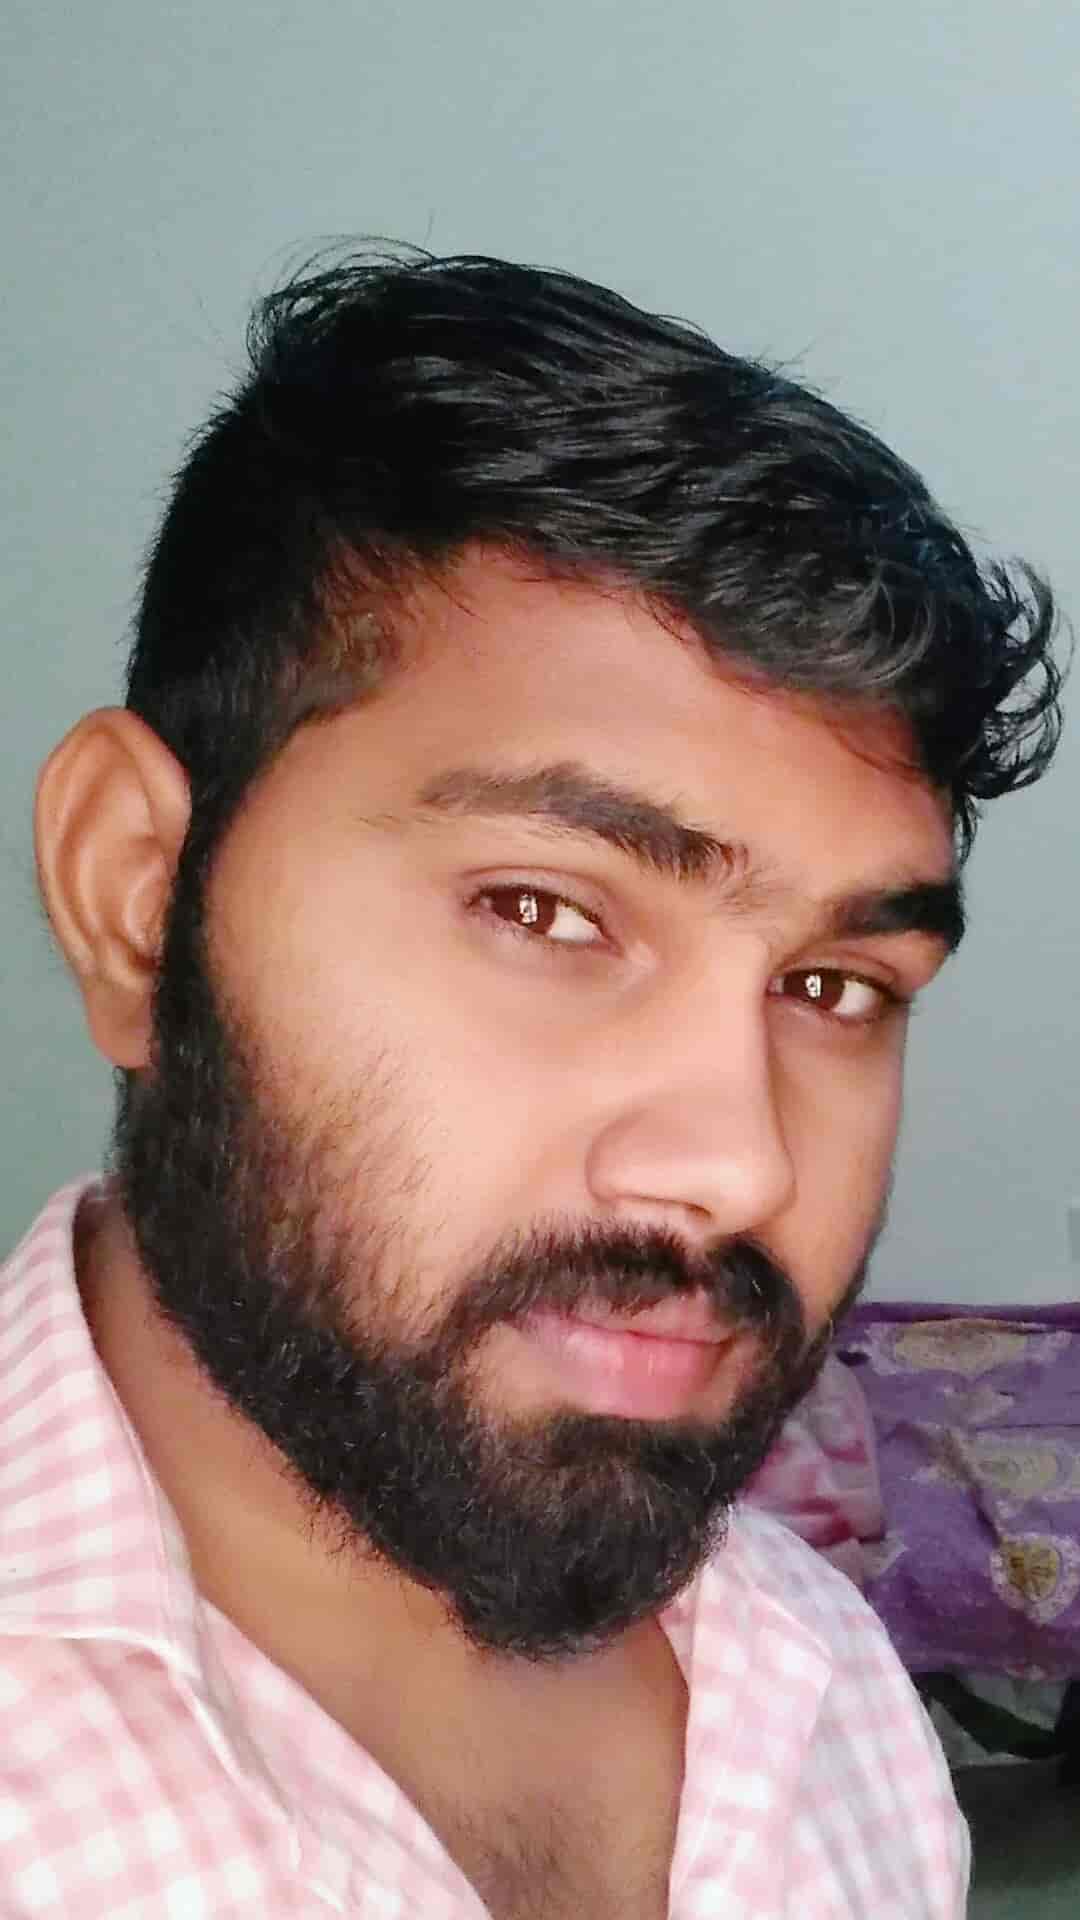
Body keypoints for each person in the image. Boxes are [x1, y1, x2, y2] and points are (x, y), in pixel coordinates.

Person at [2, 248, 1064, 1919]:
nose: (742, 1168)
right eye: (544, 912)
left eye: (833, 987)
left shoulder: (818, 1684)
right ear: (137, 894)